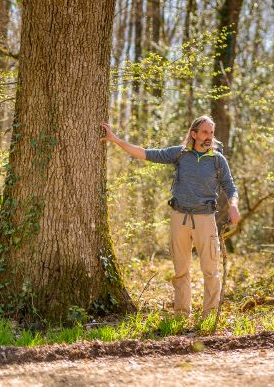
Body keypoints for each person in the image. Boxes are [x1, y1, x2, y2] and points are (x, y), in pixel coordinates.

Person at [101, 116, 240, 319]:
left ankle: (210, 317)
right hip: (179, 217)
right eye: (204, 132)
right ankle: (181, 315)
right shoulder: (180, 154)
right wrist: (116, 140)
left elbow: (230, 187)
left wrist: (233, 205)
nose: (209, 136)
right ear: (194, 134)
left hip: (205, 219)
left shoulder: (218, 160)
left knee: (210, 270)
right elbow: (146, 153)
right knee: (180, 270)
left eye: (211, 132)